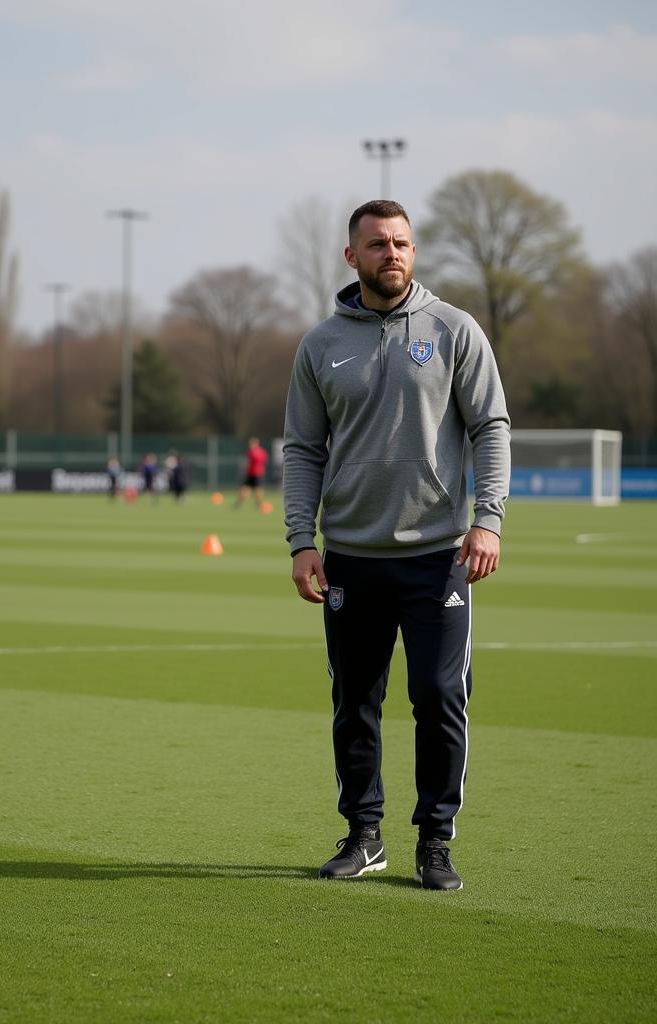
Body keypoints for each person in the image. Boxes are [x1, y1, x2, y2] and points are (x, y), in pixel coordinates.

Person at [282, 200, 509, 891]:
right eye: (378, 243)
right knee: (355, 702)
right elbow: (301, 450)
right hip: (350, 556)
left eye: (403, 242)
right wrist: (301, 540)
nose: (393, 253)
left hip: (437, 556)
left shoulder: (453, 330)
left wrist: (488, 519)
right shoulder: (321, 344)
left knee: (440, 696)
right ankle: (364, 835)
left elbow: (490, 427)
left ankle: (435, 842)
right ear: (352, 256)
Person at [235, 437, 269, 508]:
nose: (250, 445)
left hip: (257, 474)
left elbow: (248, 462)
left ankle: (259, 504)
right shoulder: (257, 452)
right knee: (245, 489)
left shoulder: (254, 452)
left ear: (257, 444)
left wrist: (244, 468)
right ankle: (239, 503)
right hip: (250, 474)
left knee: (257, 490)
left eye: (252, 443)